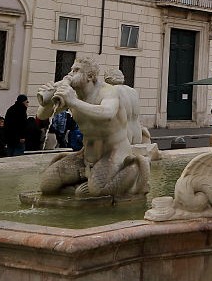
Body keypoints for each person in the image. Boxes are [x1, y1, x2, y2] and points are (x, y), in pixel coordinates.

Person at [35, 56, 150, 197]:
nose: (70, 73)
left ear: (90, 76)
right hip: (86, 155)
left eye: (76, 70)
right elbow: (42, 116)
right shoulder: (73, 94)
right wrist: (46, 103)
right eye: (71, 69)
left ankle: (133, 170)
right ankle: (86, 180)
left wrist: (73, 101)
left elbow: (107, 113)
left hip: (114, 153)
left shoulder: (108, 92)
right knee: (47, 185)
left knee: (96, 191)